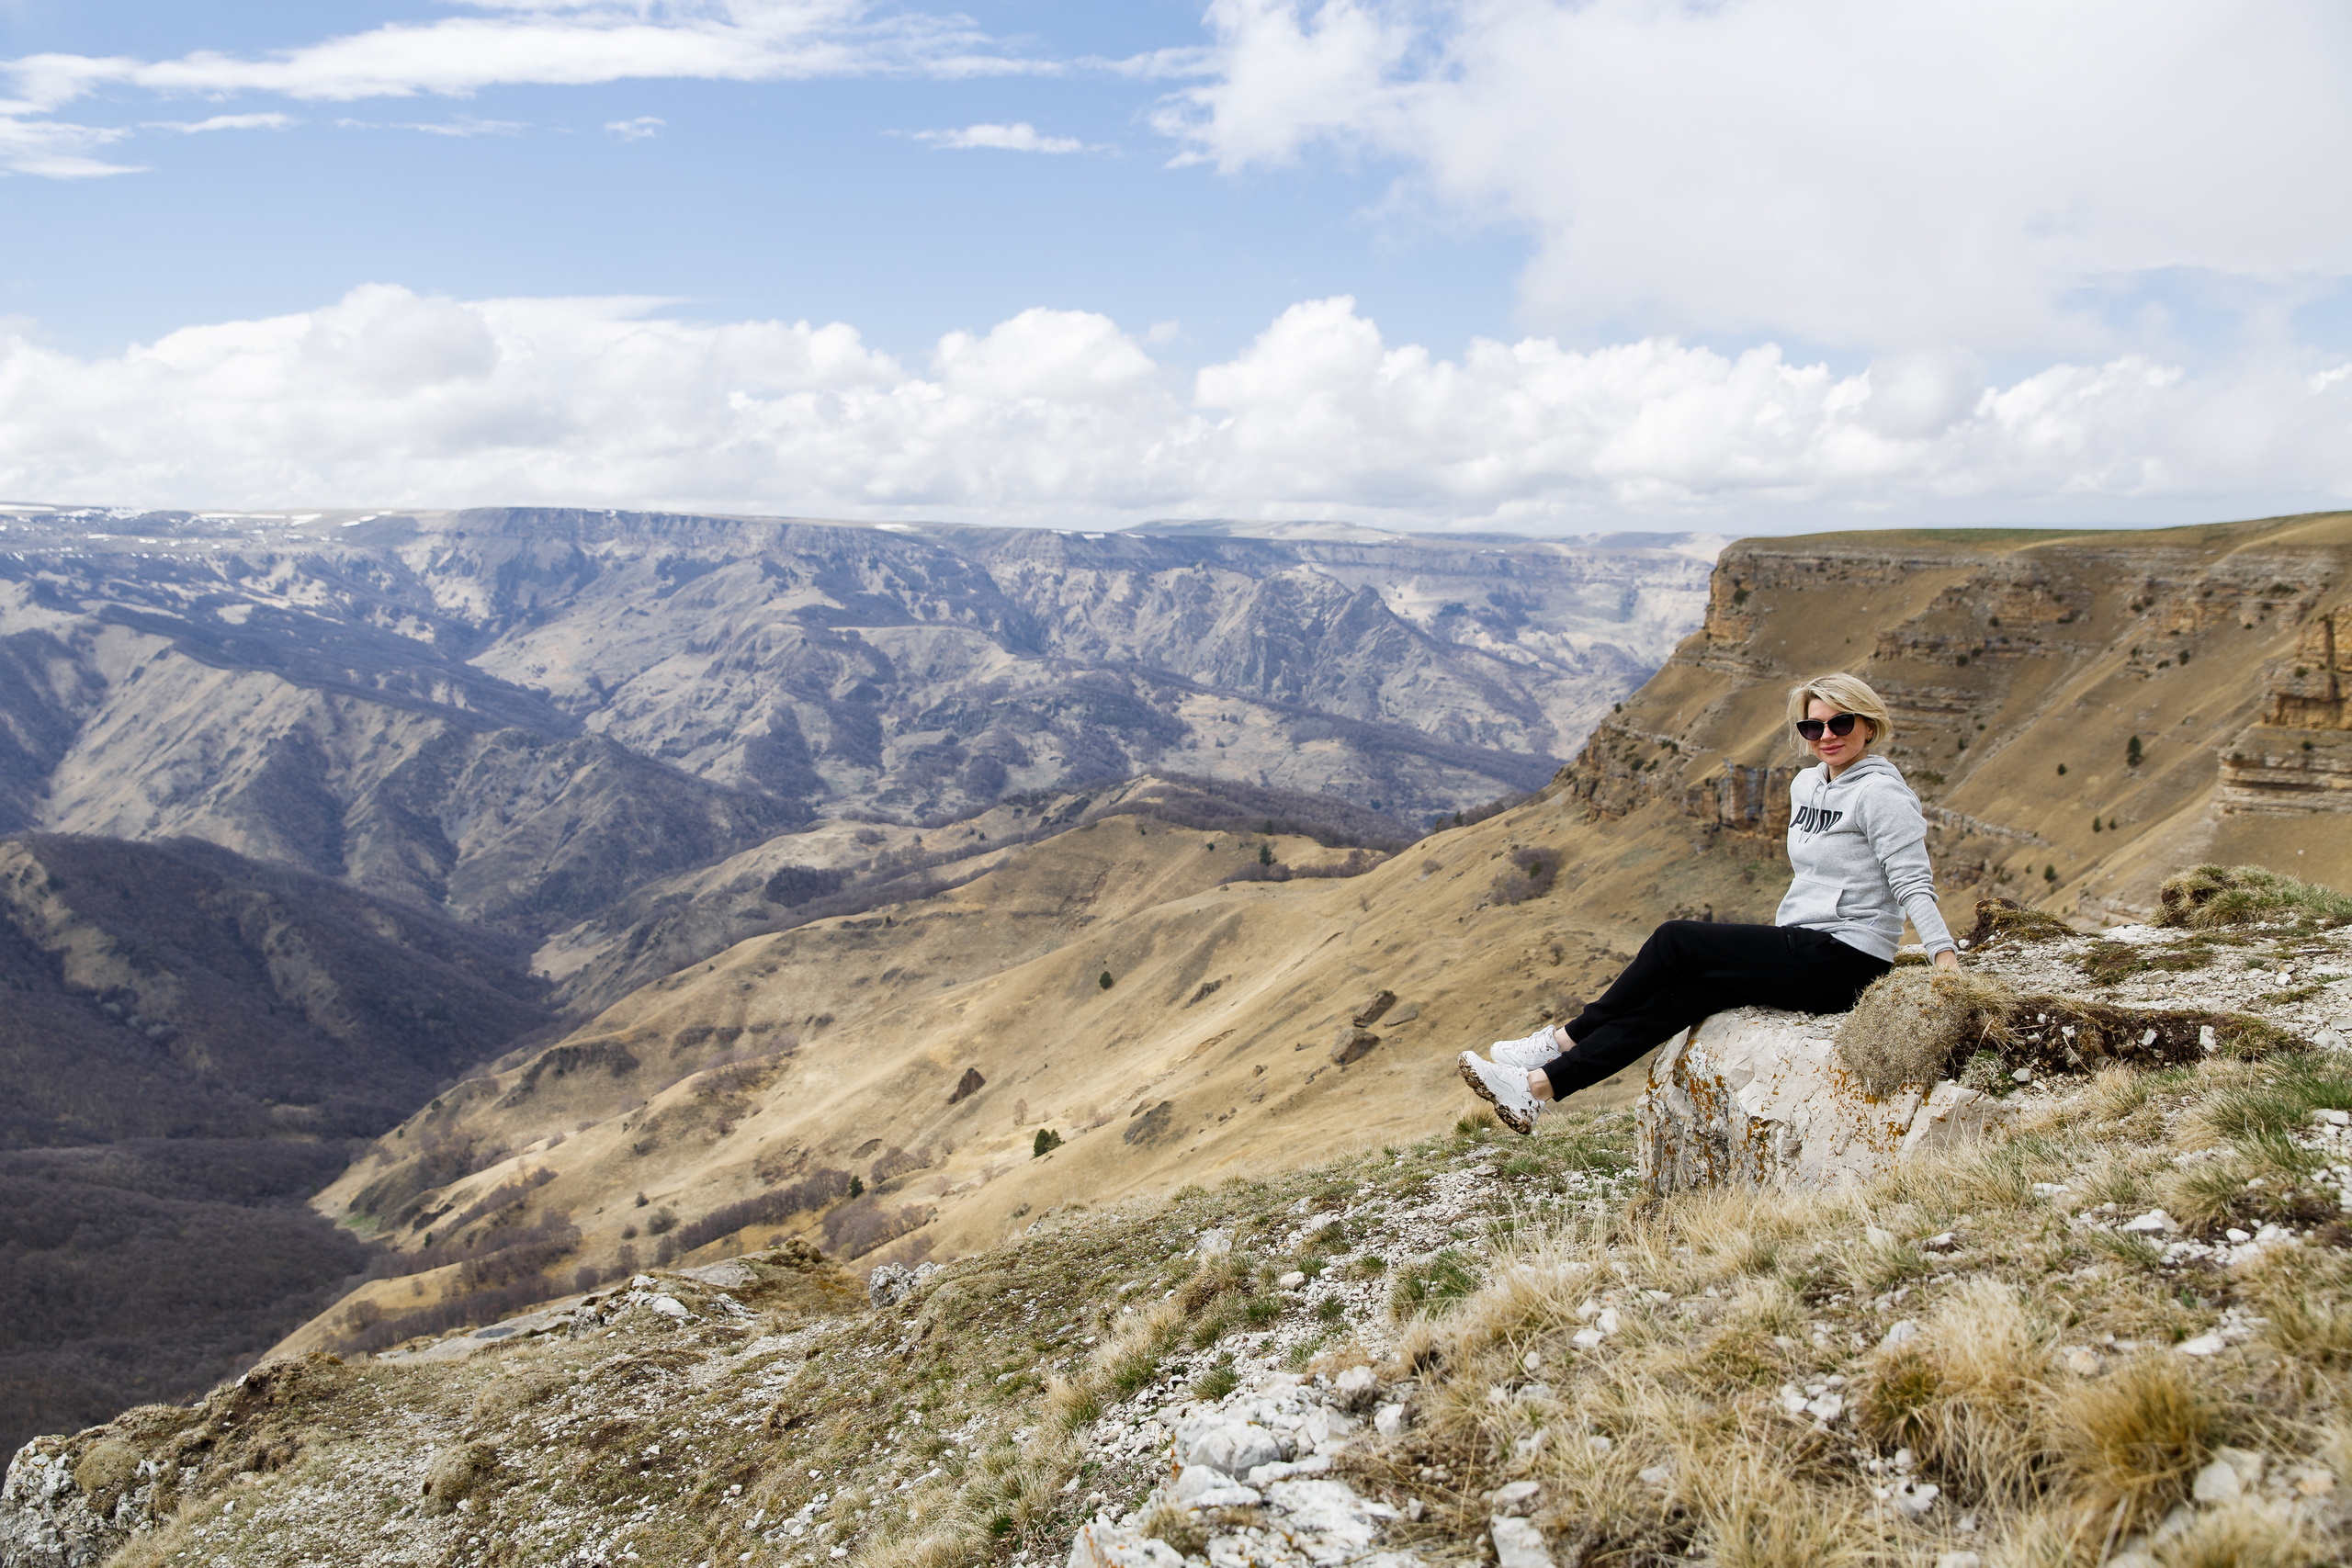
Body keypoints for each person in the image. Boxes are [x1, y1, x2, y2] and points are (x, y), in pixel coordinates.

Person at [1457, 671, 1962, 1134]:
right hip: (1803, 944)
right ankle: (1535, 1090)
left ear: (1868, 726)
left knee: (1677, 939)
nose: (1827, 735)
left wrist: (1943, 956)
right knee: (1686, 995)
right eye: (1813, 727)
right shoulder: (1807, 783)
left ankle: (1563, 1039)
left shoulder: (1882, 796)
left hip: (1846, 958)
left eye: (1841, 722)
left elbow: (1912, 880)